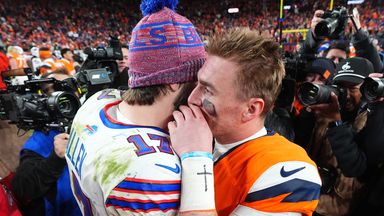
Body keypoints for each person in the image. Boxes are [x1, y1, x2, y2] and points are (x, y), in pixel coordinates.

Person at [65, 0, 206, 215]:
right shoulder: (153, 170)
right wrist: (198, 158)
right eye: (198, 78)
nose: (201, 89)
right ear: (173, 81)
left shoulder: (97, 102)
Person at [169, 28, 322, 215]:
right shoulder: (197, 133)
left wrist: (196, 159)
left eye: (208, 90)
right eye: (197, 84)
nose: (192, 98)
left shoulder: (288, 169)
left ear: (251, 109)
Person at [307, 57, 374, 215]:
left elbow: (343, 206)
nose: (346, 95)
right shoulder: (327, 114)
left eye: (352, 88)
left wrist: (298, 198)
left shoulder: (369, 127)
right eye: (340, 88)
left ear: (368, 90)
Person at [11, 71, 82, 216]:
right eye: (49, 90)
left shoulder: (96, 122)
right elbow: (23, 189)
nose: (58, 94)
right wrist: (55, 159)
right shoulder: (39, 141)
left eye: (66, 86)